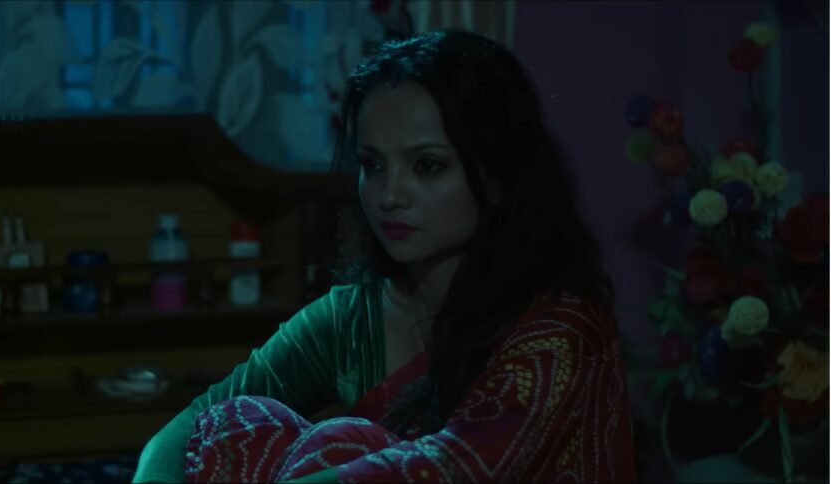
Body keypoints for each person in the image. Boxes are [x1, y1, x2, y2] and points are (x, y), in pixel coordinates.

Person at [133, 29, 635, 483]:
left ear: (500, 174)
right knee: (233, 424)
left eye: (428, 166)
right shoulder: (353, 320)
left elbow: (453, 465)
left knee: (342, 443)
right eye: (372, 164)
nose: (389, 195)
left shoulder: (560, 330)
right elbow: (188, 426)